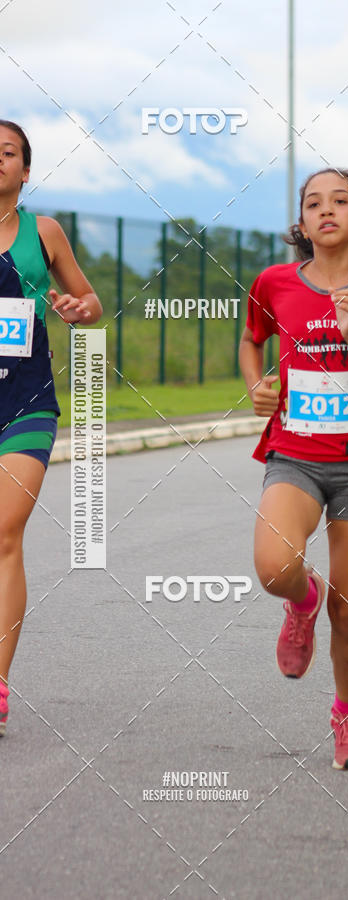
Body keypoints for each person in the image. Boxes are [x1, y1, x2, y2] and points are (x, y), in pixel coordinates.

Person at [239, 167, 348, 769]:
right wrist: (257, 387)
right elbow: (251, 340)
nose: (326, 211)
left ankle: (347, 713)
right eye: (313, 203)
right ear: (303, 221)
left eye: (341, 201)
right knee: (273, 568)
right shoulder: (274, 282)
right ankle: (301, 599)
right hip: (294, 454)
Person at [0, 120, 102, 737]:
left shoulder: (45, 233)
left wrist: (77, 309)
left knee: (4, 533)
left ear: (25, 170)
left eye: (6, 153)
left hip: (25, 400)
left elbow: (89, 306)